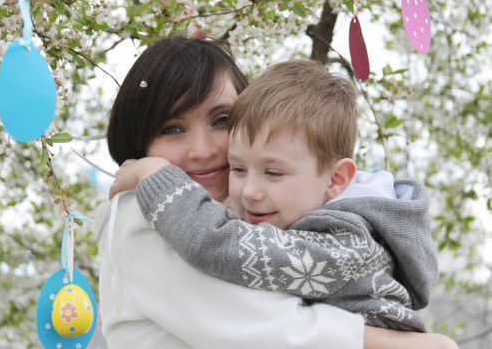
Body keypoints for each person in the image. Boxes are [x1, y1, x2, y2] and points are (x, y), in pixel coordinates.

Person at [99, 36, 459, 348]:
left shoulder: (305, 217)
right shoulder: (146, 209)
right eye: (172, 128)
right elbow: (263, 328)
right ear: (140, 137)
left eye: (221, 120)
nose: (202, 149)